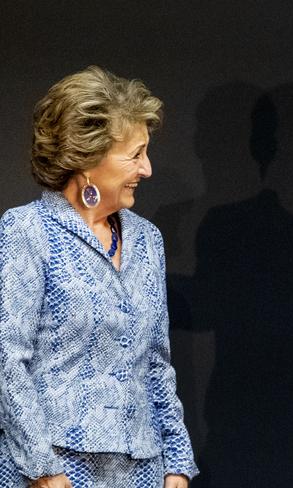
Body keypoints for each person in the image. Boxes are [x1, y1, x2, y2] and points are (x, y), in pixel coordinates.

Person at [0, 66, 198, 488]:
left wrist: (177, 462)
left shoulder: (147, 239)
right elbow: (6, 361)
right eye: (135, 154)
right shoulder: (26, 232)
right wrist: (42, 468)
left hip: (142, 467)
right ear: (87, 158)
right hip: (53, 469)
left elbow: (157, 363)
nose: (147, 169)